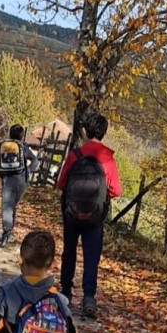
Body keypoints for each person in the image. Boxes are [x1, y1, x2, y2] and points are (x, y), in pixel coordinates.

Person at [57, 113, 122, 318]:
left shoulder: (75, 154)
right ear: (103, 132)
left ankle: (65, 294)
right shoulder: (107, 158)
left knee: (69, 252)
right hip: (95, 216)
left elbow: (61, 184)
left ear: (85, 131)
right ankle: (88, 298)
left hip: (72, 213)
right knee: (91, 257)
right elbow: (116, 190)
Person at [0, 124, 39, 246]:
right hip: (22, 180)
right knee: (12, 206)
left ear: (10, 134)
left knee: (7, 207)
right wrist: (29, 170)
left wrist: (3, 176)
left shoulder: (4, 146)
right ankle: (9, 233)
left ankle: (6, 234)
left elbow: (0, 163)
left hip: (7, 180)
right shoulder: (23, 147)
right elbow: (35, 161)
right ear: (22, 136)